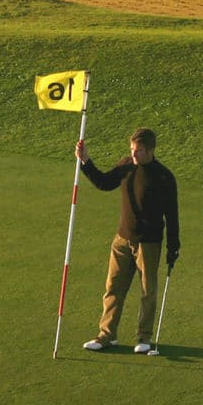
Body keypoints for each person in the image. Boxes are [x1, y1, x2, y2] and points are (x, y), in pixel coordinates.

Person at [76, 127, 180, 354]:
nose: (134, 155)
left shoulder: (163, 177)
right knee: (113, 288)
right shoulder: (125, 166)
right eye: (132, 149)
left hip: (149, 243)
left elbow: (172, 215)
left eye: (139, 151)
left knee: (147, 291)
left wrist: (173, 246)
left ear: (150, 150)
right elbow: (104, 183)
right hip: (122, 239)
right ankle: (106, 335)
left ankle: (144, 338)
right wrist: (86, 162)